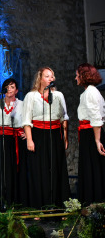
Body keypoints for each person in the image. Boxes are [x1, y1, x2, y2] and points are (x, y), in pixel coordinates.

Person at [22, 67, 70, 209]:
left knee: (56, 169)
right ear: (40, 79)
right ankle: (39, 207)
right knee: (39, 170)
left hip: (55, 134)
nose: (51, 78)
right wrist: (30, 140)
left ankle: (58, 205)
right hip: (38, 134)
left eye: (52, 76)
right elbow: (26, 120)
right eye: (47, 76)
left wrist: (65, 139)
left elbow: (64, 118)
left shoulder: (59, 95)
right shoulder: (31, 96)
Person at [0, 78, 27, 208]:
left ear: (17, 90)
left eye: (12, 87)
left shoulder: (22, 105)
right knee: (1, 169)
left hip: (16, 140)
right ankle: (0, 201)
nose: (9, 89)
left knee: (15, 170)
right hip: (0, 140)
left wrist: (26, 132)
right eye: (7, 86)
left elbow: (28, 118)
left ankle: (15, 201)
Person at [75, 63, 105, 205]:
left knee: (92, 168)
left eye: (77, 75)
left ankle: (93, 202)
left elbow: (96, 117)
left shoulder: (90, 93)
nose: (76, 78)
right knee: (93, 168)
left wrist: (97, 140)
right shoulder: (92, 91)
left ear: (84, 76)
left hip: (91, 134)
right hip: (90, 133)